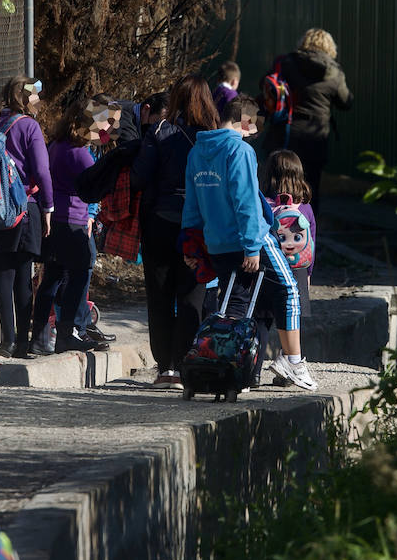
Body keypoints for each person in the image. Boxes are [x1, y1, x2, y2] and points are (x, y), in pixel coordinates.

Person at [182, 97, 319, 391]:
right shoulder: (239, 149)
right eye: (253, 123)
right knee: (289, 289)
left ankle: (230, 368)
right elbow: (246, 201)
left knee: (236, 303)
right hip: (249, 238)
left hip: (216, 242)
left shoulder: (197, 152)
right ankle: (293, 361)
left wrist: (191, 244)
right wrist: (253, 246)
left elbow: (192, 204)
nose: (255, 131)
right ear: (244, 120)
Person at [131, 75, 218, 387]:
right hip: (200, 227)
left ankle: (165, 366)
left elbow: (139, 178)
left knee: (160, 295)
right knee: (193, 295)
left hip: (160, 221)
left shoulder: (159, 131)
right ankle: (183, 364)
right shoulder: (214, 138)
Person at [0, 77, 53, 358]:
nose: (39, 102)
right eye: (36, 96)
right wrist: (48, 207)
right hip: (24, 207)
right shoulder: (28, 125)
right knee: (23, 275)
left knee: (1, 274)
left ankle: (7, 340)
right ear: (26, 98)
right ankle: (23, 342)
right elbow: (42, 171)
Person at [31, 94, 111, 353]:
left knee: (52, 277)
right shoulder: (80, 154)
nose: (104, 130)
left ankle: (40, 336)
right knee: (79, 272)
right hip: (72, 221)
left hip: (56, 219)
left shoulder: (57, 145)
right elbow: (97, 186)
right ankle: (67, 332)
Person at [259, 28, 353, 214]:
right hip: (315, 137)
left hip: (284, 133)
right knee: (311, 188)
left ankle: (275, 231)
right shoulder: (334, 72)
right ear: (330, 48)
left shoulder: (285, 63)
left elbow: (265, 85)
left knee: (277, 182)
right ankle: (307, 233)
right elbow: (346, 102)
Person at [262, 148, 316, 319]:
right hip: (297, 269)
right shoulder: (305, 207)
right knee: (294, 322)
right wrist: (308, 275)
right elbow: (311, 244)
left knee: (262, 320)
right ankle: (290, 347)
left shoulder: (263, 204)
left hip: (269, 268)